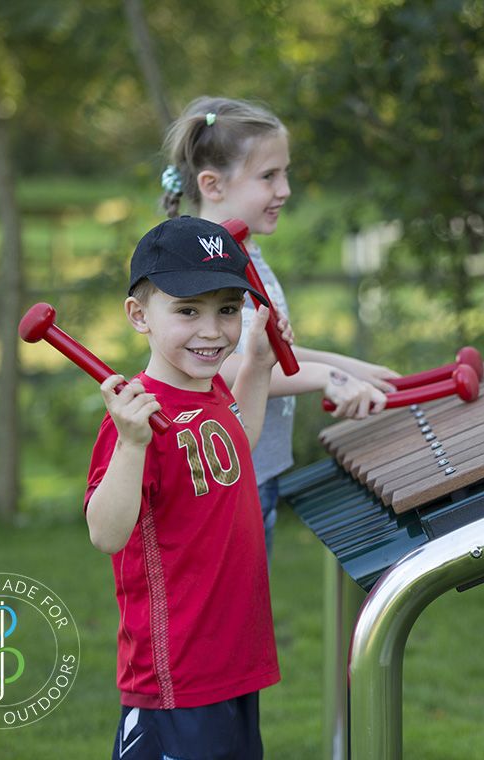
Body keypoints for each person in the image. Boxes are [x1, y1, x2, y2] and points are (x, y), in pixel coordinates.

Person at [84, 215, 293, 759]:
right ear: (139, 316)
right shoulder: (135, 419)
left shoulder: (209, 391)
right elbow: (107, 533)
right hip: (176, 675)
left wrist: (259, 366)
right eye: (187, 310)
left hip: (233, 659)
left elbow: (234, 450)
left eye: (227, 309)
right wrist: (130, 446)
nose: (212, 329)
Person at [159, 96, 398, 558]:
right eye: (269, 176)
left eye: (285, 173)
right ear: (212, 184)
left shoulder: (243, 254)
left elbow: (267, 352)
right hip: (221, 479)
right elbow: (223, 366)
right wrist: (328, 379)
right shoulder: (203, 268)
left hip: (257, 472)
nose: (285, 189)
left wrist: (354, 367)